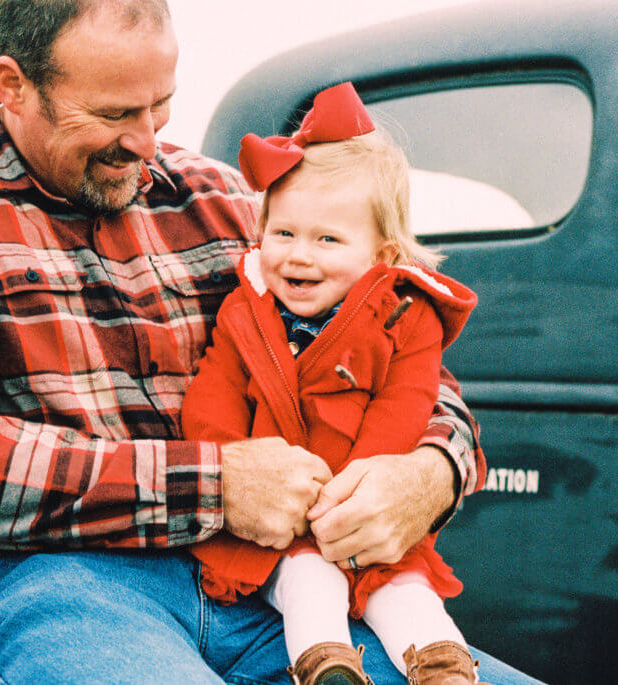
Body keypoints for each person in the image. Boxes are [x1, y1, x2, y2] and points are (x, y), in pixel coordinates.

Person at [0, 1, 538, 683]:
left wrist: (429, 474)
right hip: (34, 584)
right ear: (14, 85)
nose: (145, 141)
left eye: (158, 106)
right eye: (113, 114)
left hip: (261, 586)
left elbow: (402, 355)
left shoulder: (215, 197)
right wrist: (218, 487)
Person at [182, 82, 486, 685]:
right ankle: (324, 663)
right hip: (279, 523)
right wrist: (234, 463)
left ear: (384, 252)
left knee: (405, 587)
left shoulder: (406, 316)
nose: (300, 257)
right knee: (305, 582)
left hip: (362, 509)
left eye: (328, 240)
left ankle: (442, 665)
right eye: (284, 234)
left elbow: (408, 401)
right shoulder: (246, 314)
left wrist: (361, 488)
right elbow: (212, 397)